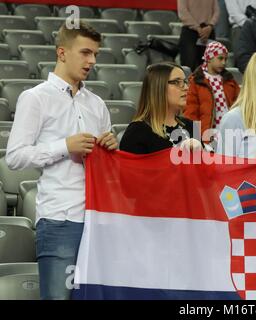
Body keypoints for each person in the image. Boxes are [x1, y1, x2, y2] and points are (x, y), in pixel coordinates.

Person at [5, 21, 118, 300]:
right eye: (85, 52)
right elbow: (15, 156)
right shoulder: (35, 99)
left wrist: (112, 147)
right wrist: (64, 147)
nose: (91, 61)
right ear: (62, 53)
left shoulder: (97, 104)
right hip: (59, 220)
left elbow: (107, 165)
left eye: (95, 55)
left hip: (97, 219)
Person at [120, 62, 202, 154]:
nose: (186, 87)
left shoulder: (191, 126)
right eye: (176, 82)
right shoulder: (138, 131)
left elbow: (203, 166)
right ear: (158, 87)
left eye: (185, 82)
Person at [183, 41, 240, 144]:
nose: (224, 62)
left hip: (231, 132)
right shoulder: (196, 81)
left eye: (225, 59)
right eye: (220, 58)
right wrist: (196, 138)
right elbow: (191, 113)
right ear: (209, 58)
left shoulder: (229, 80)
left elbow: (240, 103)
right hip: (207, 135)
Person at [177, 0, 220, 72]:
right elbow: (183, 12)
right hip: (190, 32)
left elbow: (217, 11)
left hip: (208, 32)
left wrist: (210, 25)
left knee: (208, 67)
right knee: (189, 66)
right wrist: (197, 27)